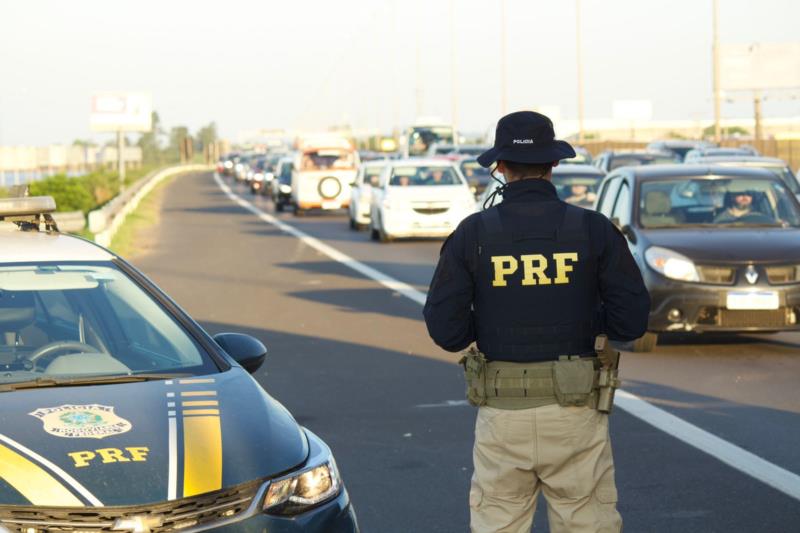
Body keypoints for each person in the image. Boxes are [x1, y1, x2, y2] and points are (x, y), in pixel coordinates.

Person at [423, 111, 651, 533]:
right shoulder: (594, 229)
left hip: (502, 414)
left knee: (499, 521)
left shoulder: (473, 234)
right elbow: (632, 320)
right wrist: (585, 317)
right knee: (587, 521)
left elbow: (446, 331)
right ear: (554, 165)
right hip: (576, 411)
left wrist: (491, 319)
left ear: (500, 168)